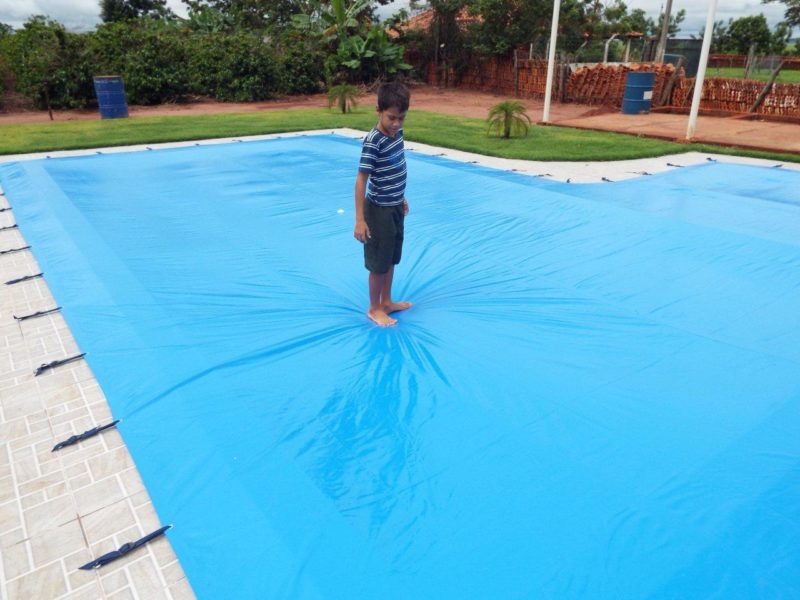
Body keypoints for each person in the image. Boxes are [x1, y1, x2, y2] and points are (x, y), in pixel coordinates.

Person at [354, 82, 412, 327]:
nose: (396, 123)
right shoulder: (373, 141)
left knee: (391, 258)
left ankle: (386, 301)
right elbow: (361, 180)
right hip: (378, 211)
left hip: (395, 207)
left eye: (401, 118)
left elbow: (395, 168)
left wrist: (400, 197)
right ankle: (374, 307)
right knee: (379, 262)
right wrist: (360, 219)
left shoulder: (396, 135)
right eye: (391, 118)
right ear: (378, 110)